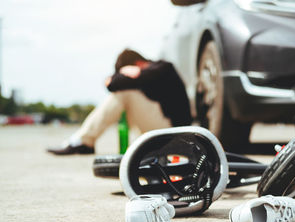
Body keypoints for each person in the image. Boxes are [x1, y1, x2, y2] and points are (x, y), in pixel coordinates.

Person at [47, 49, 192, 155]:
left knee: (125, 93)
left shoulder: (163, 68)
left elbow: (115, 83)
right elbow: (113, 84)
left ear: (137, 63)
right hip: (156, 130)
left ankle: (85, 140)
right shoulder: (143, 77)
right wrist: (119, 78)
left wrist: (124, 76)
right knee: (123, 91)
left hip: (172, 133)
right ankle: (84, 140)